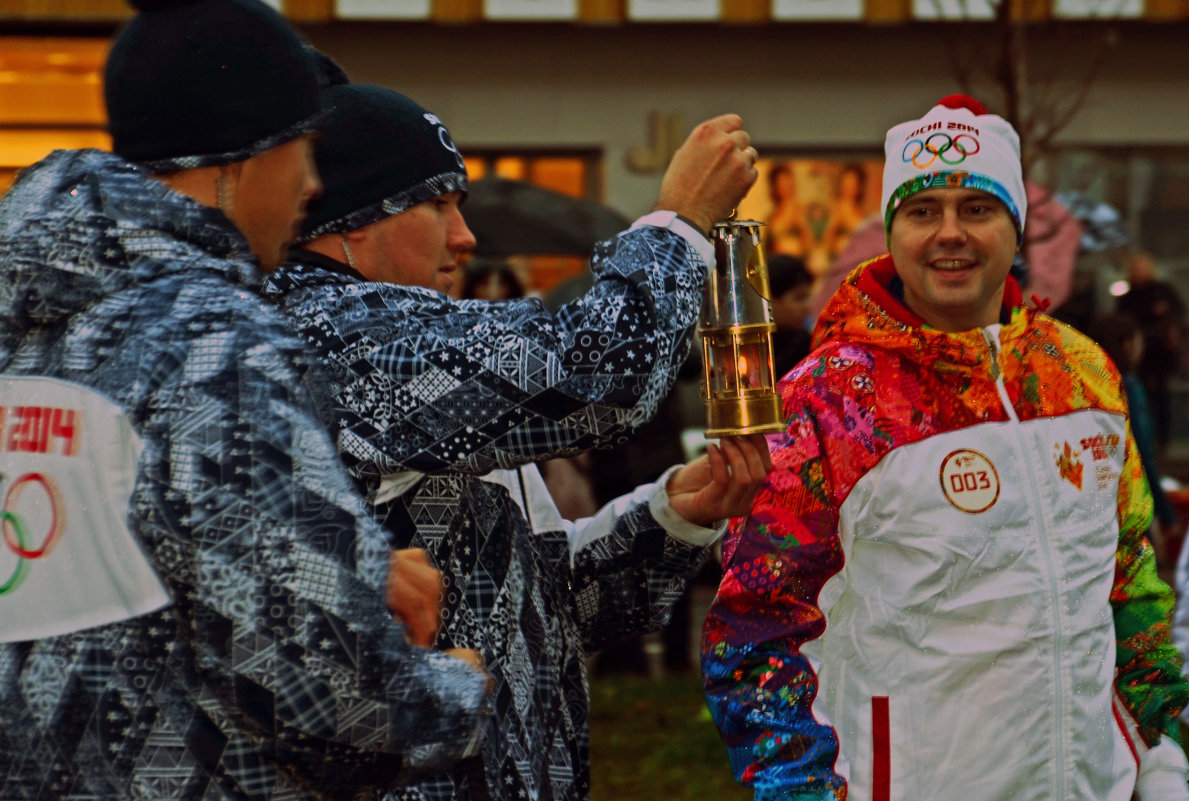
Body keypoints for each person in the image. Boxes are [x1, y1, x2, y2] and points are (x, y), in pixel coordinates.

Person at [0, 4, 489, 800]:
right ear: (247, 154)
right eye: (304, 149)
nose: (314, 185)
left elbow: (124, 550)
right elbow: (327, 691)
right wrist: (450, 691)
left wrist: (351, 566)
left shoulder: (28, 323)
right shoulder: (212, 343)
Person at [262, 83, 769, 801]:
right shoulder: (336, 336)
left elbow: (548, 610)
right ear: (352, 220)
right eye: (436, 203)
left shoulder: (399, 340)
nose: (463, 238)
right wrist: (681, 221)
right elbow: (602, 371)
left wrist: (674, 515)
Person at [701, 94, 1189, 801]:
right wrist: (799, 789)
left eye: (977, 208)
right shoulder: (830, 402)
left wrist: (1162, 748)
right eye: (922, 210)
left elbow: (1127, 578)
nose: (948, 233)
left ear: (1015, 228)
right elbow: (752, 628)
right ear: (892, 231)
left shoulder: (1081, 376)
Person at [1087, 312, 1178, 550]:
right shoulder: (1127, 386)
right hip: (1130, 500)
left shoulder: (1091, 385)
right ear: (1127, 345)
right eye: (1139, 342)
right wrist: (1166, 514)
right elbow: (1141, 455)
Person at [1117, 250, 1186, 454]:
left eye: (1141, 267)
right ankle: (1145, 442)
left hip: (1161, 355)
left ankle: (1162, 443)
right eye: (1135, 268)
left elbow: (1179, 314)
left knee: (1161, 397)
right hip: (1139, 359)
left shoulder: (1163, 291)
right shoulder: (1127, 297)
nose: (1138, 271)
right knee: (1139, 397)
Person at [766, 253, 815, 378]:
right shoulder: (754, 348)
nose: (807, 306)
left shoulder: (807, 346)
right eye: (798, 298)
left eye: (807, 297)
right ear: (771, 301)